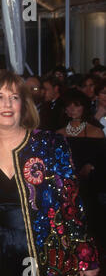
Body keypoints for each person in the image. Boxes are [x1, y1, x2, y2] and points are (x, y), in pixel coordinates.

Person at [0, 69, 99, 276]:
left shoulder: (51, 144)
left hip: (50, 264)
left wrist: (86, 256)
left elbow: (72, 204)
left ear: (23, 105)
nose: (7, 104)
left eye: (14, 97)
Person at [56, 89, 106, 260]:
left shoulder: (96, 132)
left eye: (76, 106)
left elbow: (101, 160)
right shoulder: (59, 134)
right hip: (67, 187)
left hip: (89, 188)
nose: (71, 109)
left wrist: (90, 167)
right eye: (68, 106)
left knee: (91, 221)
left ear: (84, 107)